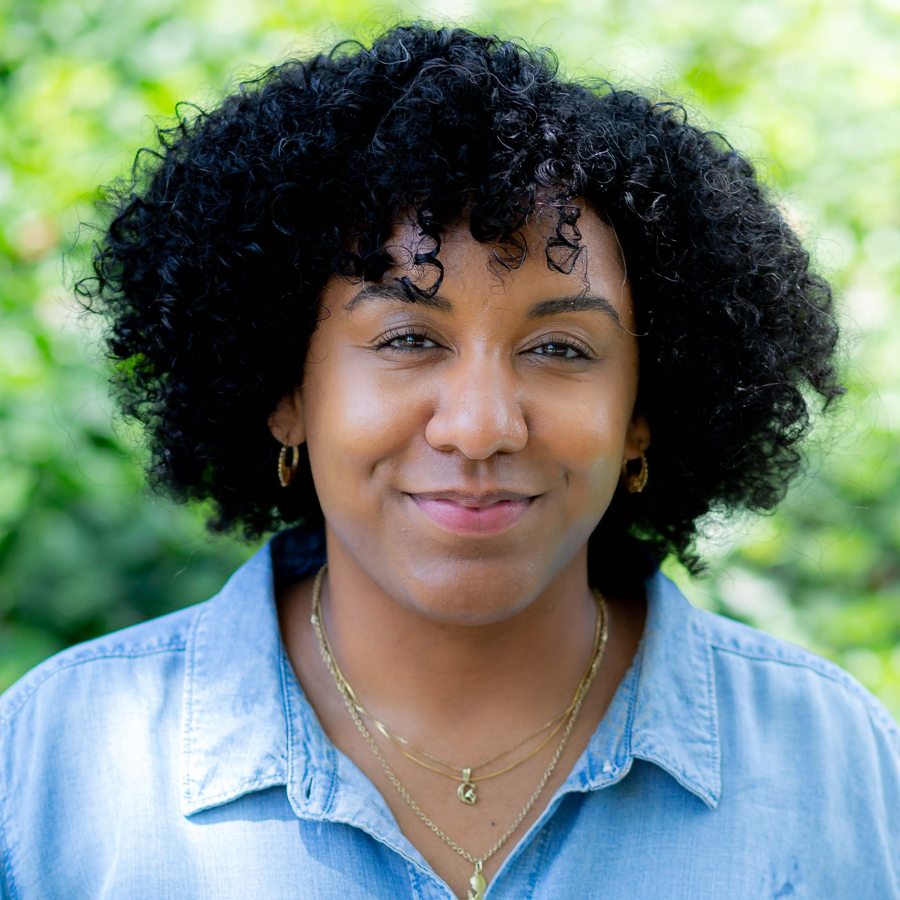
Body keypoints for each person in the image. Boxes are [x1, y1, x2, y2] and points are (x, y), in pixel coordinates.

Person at [1, 20, 898, 900]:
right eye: (405, 337)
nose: (479, 427)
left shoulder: (833, 768)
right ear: (285, 392)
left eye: (560, 350)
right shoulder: (53, 772)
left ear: (642, 415)